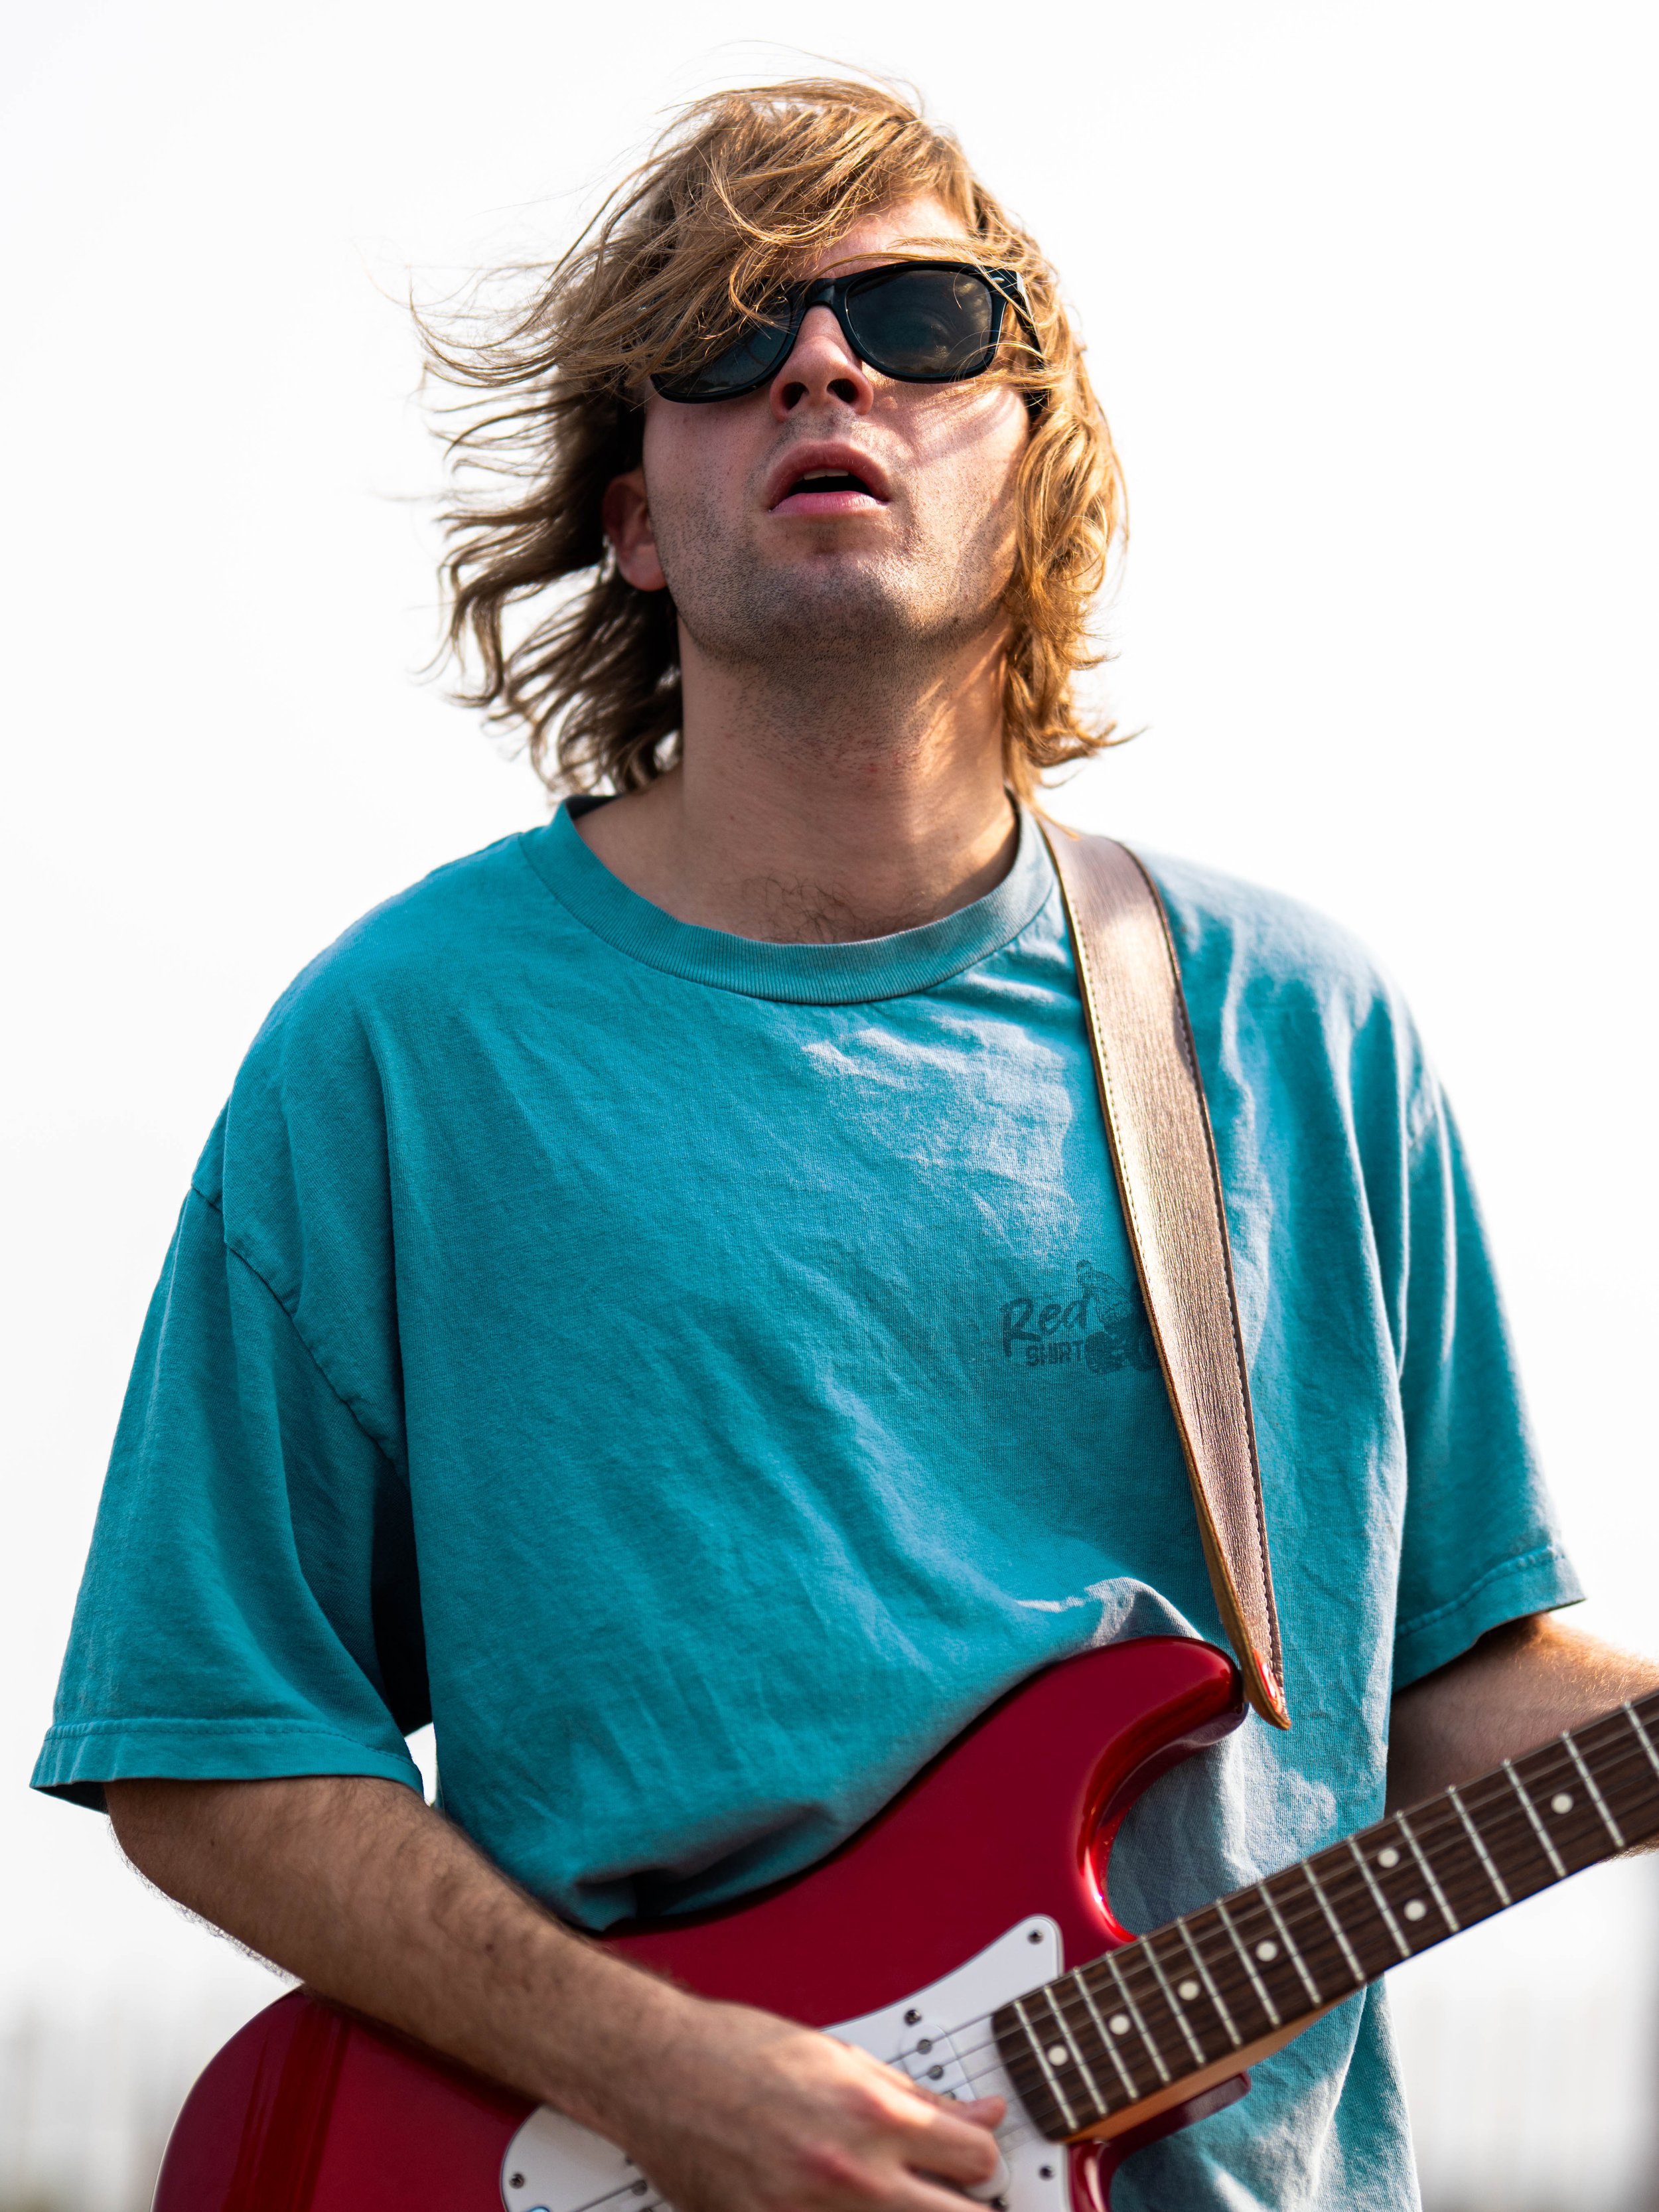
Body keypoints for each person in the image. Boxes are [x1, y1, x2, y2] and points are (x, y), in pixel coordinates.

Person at [31, 76, 1658, 2212]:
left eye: (917, 318)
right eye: (722, 342)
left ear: (1033, 459)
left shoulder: (1298, 1036)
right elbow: (209, 1742)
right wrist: (667, 2083)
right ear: (627, 512)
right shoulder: (405, 1048)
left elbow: (1426, 1685)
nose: (820, 365)